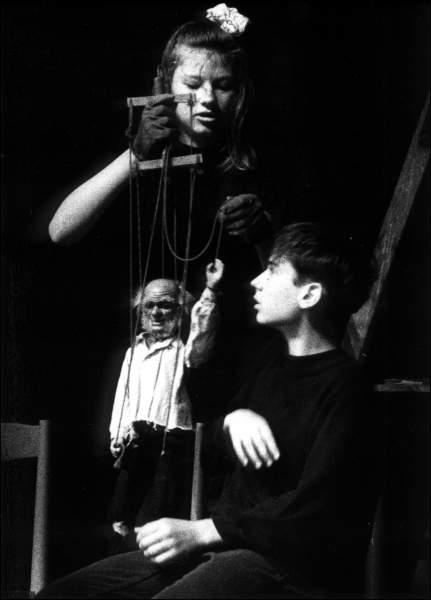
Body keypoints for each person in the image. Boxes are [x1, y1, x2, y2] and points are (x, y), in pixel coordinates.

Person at [36, 222, 381, 599]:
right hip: (229, 548)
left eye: (272, 269)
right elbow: (214, 447)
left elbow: (317, 512)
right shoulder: (271, 365)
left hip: (289, 568)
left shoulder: (348, 388)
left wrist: (201, 531)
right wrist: (232, 420)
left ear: (310, 294)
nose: (256, 281)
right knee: (61, 594)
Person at [47, 7, 276, 331]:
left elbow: (290, 281)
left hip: (231, 339)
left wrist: (262, 236)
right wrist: (136, 153)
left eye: (223, 85)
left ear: (239, 91)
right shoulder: (137, 149)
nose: (208, 99)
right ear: (166, 82)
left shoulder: (258, 163)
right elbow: (60, 232)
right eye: (192, 84)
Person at [108, 259, 223, 548]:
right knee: (121, 509)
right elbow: (123, 395)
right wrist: (117, 433)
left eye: (166, 305)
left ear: (180, 310)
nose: (156, 312)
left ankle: (150, 549)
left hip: (172, 439)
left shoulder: (184, 350)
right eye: (150, 306)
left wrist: (210, 289)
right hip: (136, 437)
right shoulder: (133, 352)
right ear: (141, 311)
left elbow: (202, 332)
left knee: (158, 508)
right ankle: (121, 546)